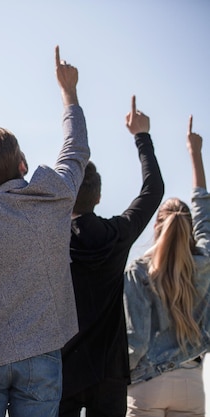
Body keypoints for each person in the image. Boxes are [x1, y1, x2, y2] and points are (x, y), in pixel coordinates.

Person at [0, 46, 89, 417]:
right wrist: (68, 92)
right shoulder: (56, 195)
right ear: (22, 162)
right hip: (41, 355)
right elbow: (76, 149)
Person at [59, 96, 164, 417]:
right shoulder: (117, 234)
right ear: (99, 196)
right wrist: (141, 136)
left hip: (63, 365)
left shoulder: (52, 237)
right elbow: (153, 190)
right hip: (109, 369)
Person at [124, 115, 210, 416]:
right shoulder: (204, 263)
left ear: (157, 227)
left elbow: (136, 340)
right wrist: (195, 153)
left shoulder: (138, 271)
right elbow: (204, 212)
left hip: (147, 383)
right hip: (191, 383)